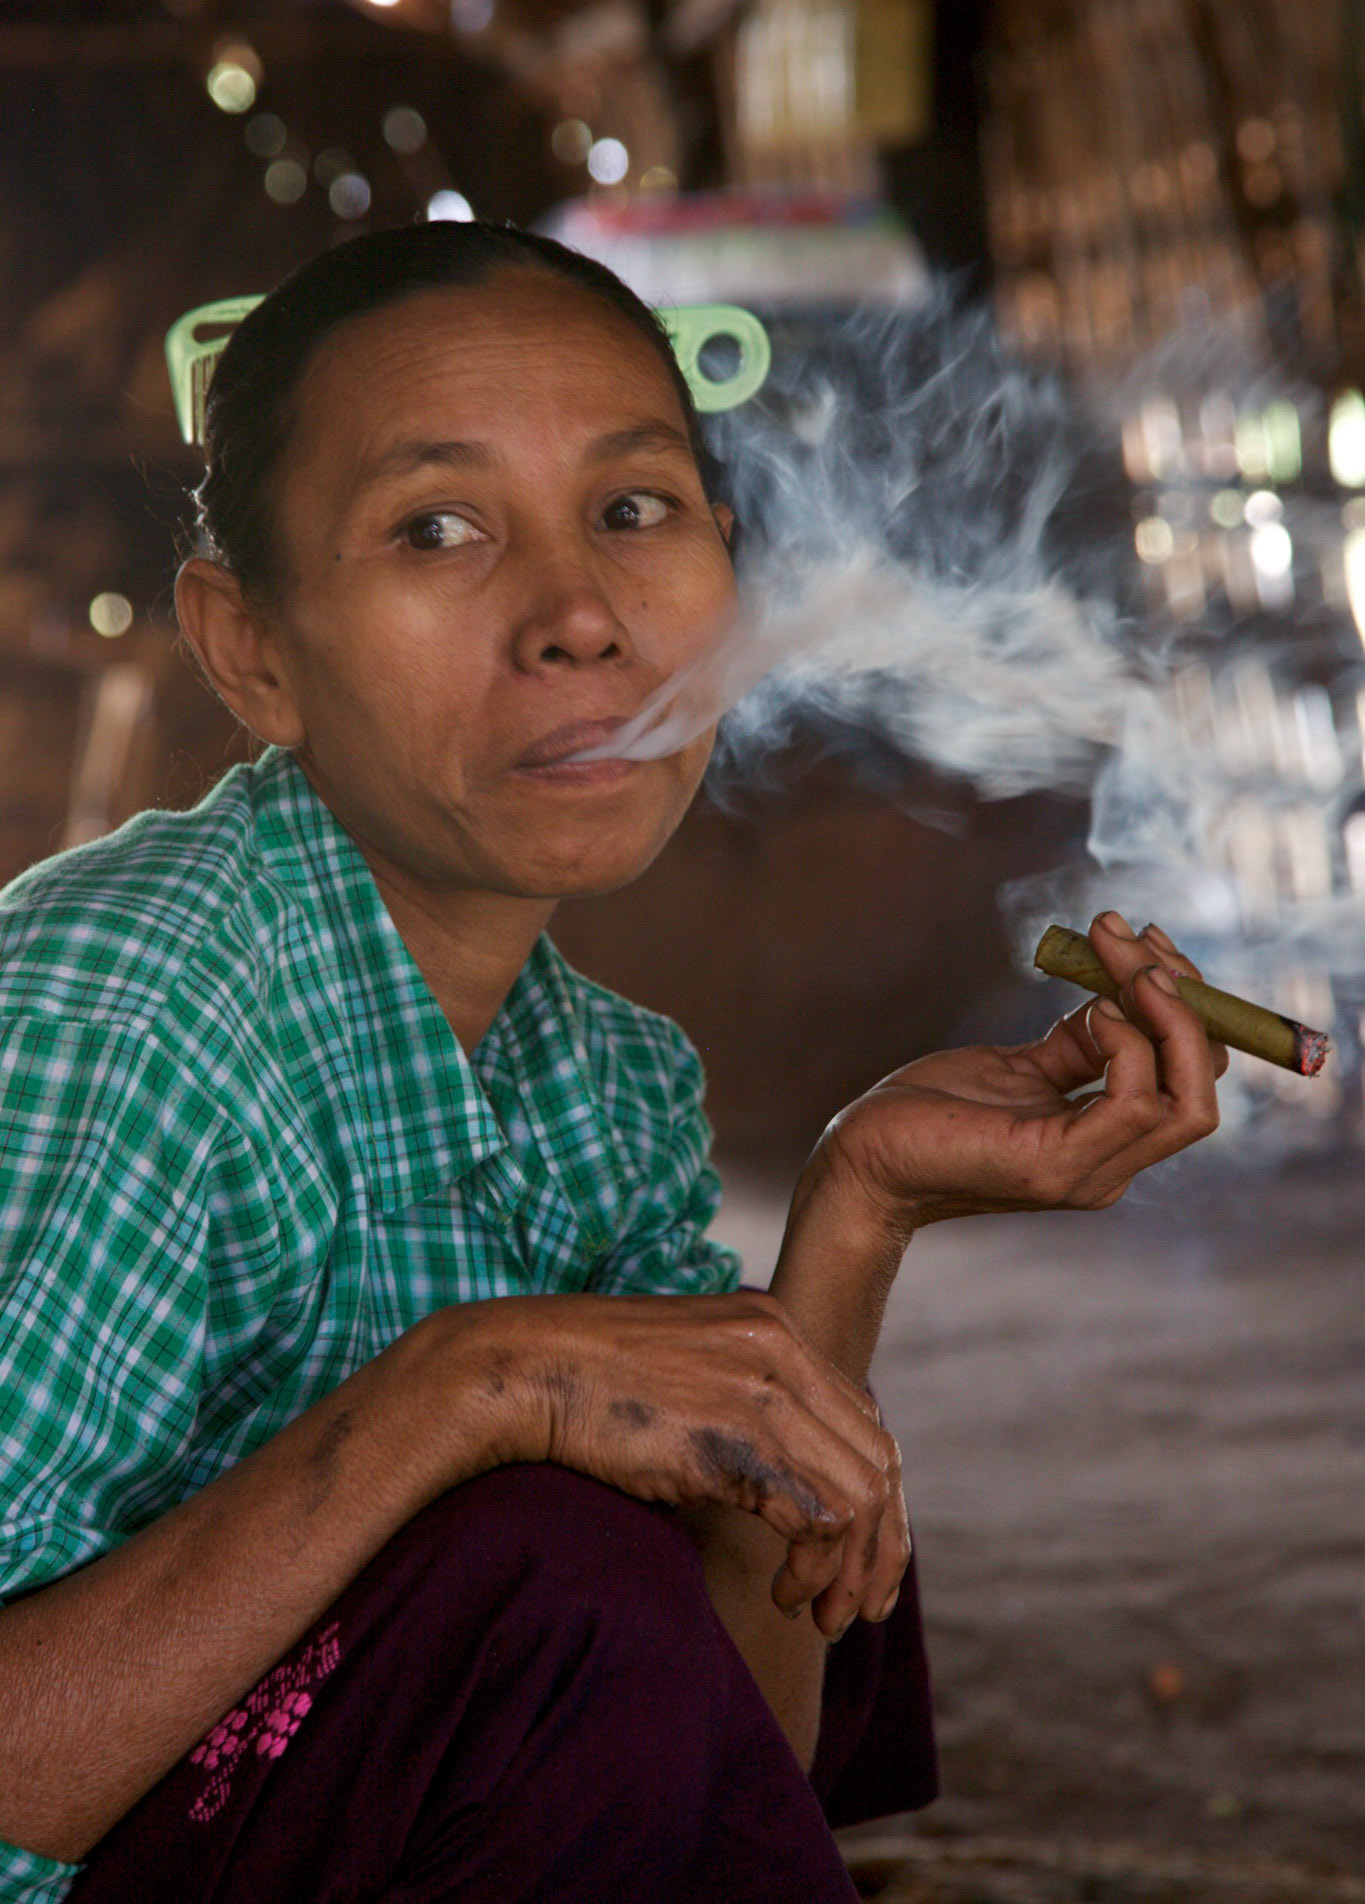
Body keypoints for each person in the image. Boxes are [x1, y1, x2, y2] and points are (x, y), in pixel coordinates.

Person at [0, 223, 1224, 1904]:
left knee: (777, 1450)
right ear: (248, 651)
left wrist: (857, 1206)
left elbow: (726, 1756)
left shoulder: (606, 1080)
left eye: (636, 511)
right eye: (437, 527)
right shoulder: (125, 1012)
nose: (577, 615)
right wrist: (474, 1386)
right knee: (554, 1559)